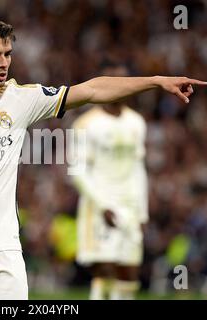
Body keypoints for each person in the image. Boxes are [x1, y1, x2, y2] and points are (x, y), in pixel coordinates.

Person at [0, 17, 207, 300]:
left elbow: (92, 89)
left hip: (5, 253)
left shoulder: (20, 98)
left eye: (7, 54)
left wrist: (154, 81)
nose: (3, 62)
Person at [70, 64, 148, 300]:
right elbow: (77, 171)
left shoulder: (136, 122)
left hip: (130, 204)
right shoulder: (86, 123)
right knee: (104, 270)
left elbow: (138, 167)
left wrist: (143, 212)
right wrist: (103, 205)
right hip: (100, 206)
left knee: (129, 272)